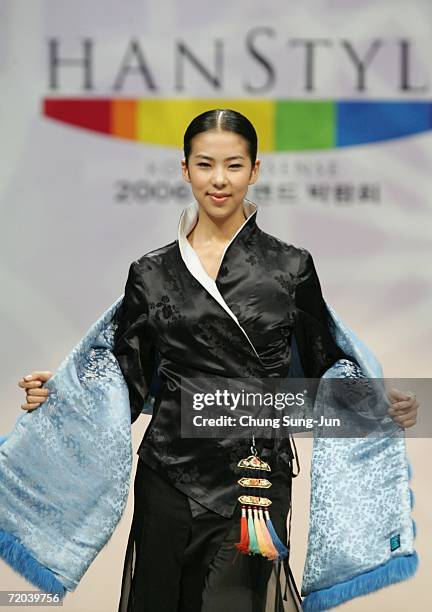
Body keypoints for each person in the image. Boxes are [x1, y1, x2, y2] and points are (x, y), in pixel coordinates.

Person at [17, 109, 419, 612]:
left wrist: (379, 404)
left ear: (255, 170)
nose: (219, 179)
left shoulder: (291, 267)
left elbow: (324, 370)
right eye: (205, 165)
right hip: (168, 473)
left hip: (254, 478)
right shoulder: (151, 272)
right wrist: (60, 393)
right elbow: (126, 378)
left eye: (233, 165)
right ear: (185, 170)